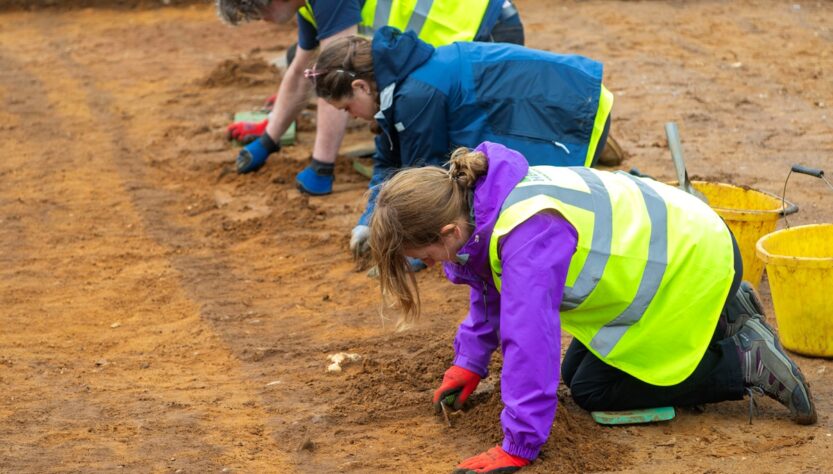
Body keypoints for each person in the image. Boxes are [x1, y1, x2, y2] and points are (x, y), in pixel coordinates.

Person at [368, 141, 817, 474]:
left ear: (447, 231)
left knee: (595, 392)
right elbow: (488, 288)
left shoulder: (524, 237)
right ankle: (728, 309)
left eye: (424, 257)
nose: (426, 266)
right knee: (579, 377)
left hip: (692, 264)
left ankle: (744, 362)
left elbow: (529, 341)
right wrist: (470, 361)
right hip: (686, 242)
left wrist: (519, 445)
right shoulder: (481, 202)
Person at [308, 27, 614, 258]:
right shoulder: (398, 86)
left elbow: (424, 181)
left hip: (573, 112)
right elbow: (389, 160)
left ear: (360, 86)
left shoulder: (415, 96)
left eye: (347, 108)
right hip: (571, 98)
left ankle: (620, 178)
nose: (353, 117)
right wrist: (369, 220)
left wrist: (412, 250)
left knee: (544, 205)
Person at [216, 0, 525, 195]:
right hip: (446, 55)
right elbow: (301, 72)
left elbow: (335, 78)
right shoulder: (308, 6)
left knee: (463, 158)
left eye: (256, 10)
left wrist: (322, 166)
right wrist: (267, 141)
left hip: (486, 30)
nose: (260, 19)